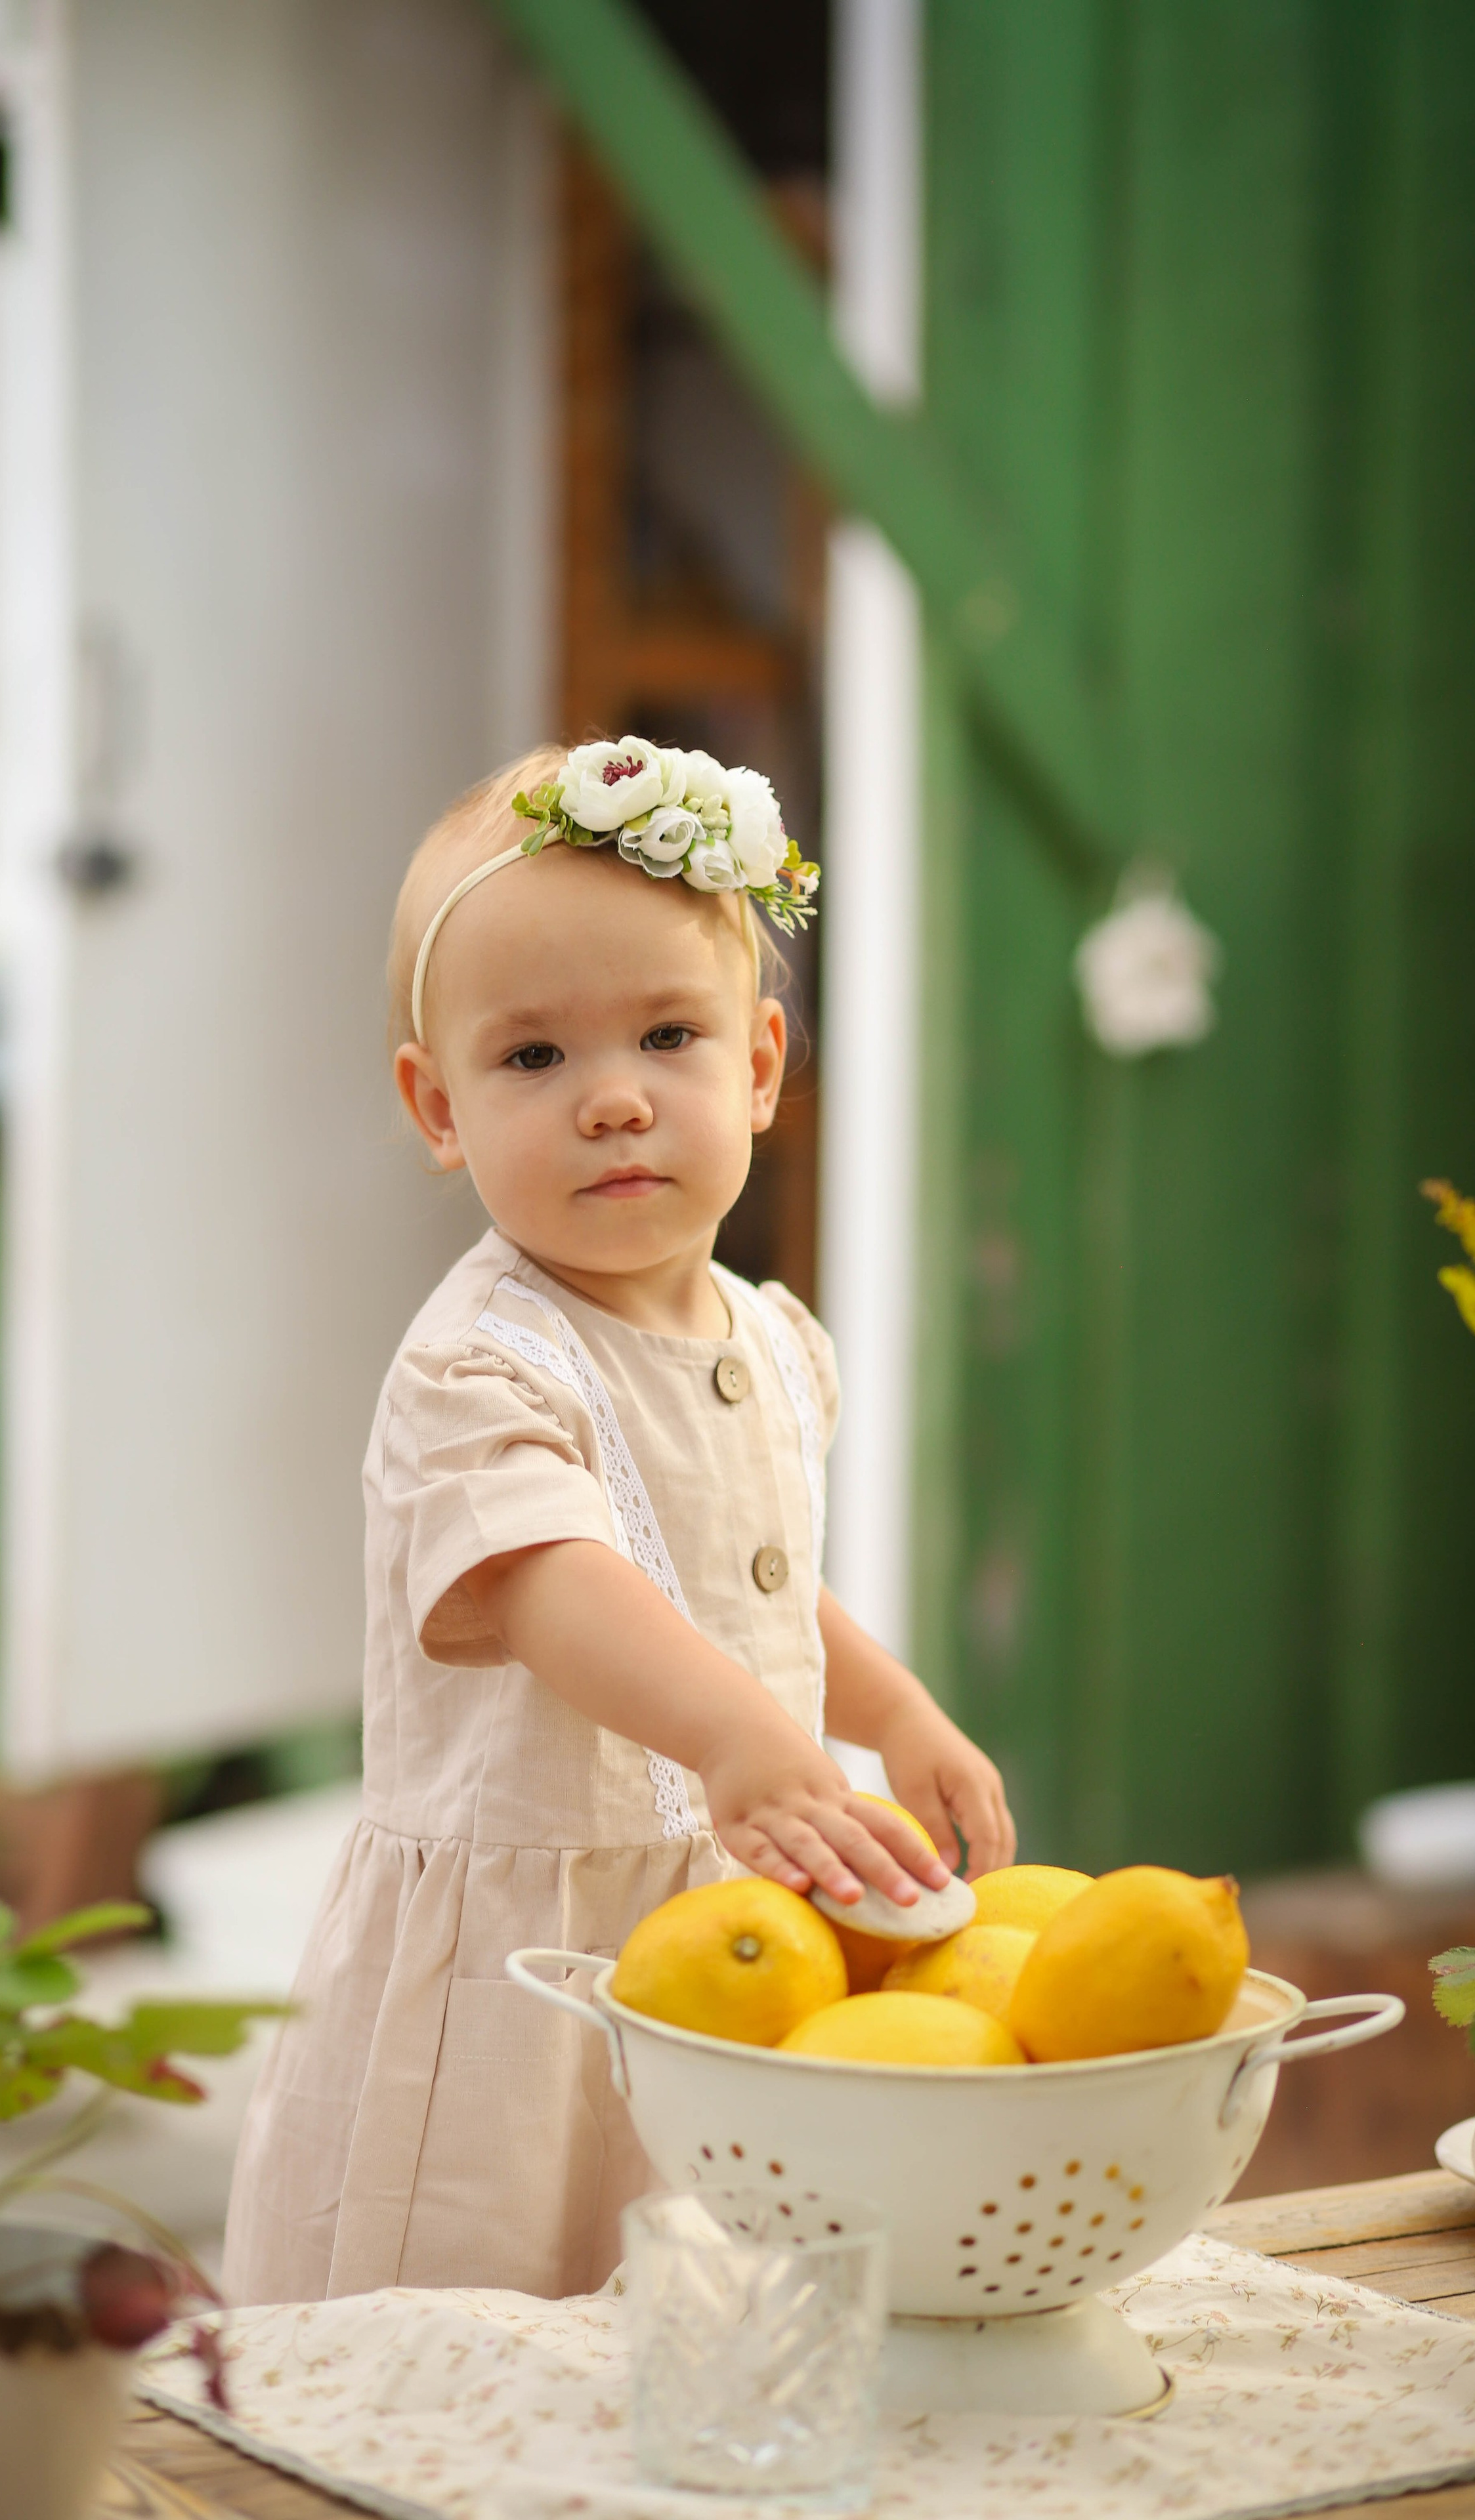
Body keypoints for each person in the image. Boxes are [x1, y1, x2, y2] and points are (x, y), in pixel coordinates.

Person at [223, 737, 1015, 2306]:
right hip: (522, 1961)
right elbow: (555, 1585)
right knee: (484, 2289)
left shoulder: (770, 1341)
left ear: (759, 1067)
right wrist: (738, 1738)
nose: (611, 1100)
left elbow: (744, 1590)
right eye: (532, 1059)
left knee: (703, 2291)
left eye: (667, 1036)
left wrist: (892, 1713)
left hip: (718, 1920)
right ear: (437, 1106)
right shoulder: (477, 1367)